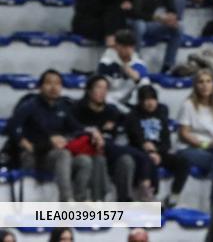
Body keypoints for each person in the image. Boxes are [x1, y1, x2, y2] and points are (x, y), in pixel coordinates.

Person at [14, 70, 103, 201]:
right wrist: (28, 145)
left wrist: (93, 131)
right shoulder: (29, 106)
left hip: (56, 155)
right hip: (35, 154)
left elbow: (77, 128)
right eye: (49, 83)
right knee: (63, 154)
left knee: (85, 161)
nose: (54, 87)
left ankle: (81, 200)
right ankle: (66, 200)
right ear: (40, 86)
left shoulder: (62, 108)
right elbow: (12, 129)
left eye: (57, 84)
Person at [72, 74, 150, 202]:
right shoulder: (78, 109)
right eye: (98, 87)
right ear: (89, 90)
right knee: (139, 157)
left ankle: (125, 200)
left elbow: (130, 120)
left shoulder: (111, 110)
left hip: (110, 151)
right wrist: (96, 131)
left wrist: (116, 126)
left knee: (126, 160)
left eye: (105, 88)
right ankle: (98, 201)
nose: (102, 92)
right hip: (89, 150)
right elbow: (74, 129)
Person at [124, 84, 189, 209]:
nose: (150, 103)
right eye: (146, 99)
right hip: (140, 153)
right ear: (140, 101)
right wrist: (149, 151)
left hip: (160, 152)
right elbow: (136, 139)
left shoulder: (161, 114)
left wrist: (158, 151)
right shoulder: (133, 116)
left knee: (183, 161)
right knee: (148, 160)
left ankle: (174, 196)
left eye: (153, 99)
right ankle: (149, 196)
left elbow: (166, 140)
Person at [177, 68, 213, 203]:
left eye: (208, 81)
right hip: (191, 148)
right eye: (201, 82)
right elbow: (184, 133)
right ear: (195, 85)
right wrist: (205, 144)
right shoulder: (188, 105)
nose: (205, 85)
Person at [96, 28, 150, 111]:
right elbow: (101, 87)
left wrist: (136, 78)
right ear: (117, 46)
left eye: (130, 46)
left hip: (127, 102)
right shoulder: (106, 62)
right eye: (124, 46)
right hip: (107, 101)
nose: (128, 50)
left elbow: (145, 87)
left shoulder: (138, 64)